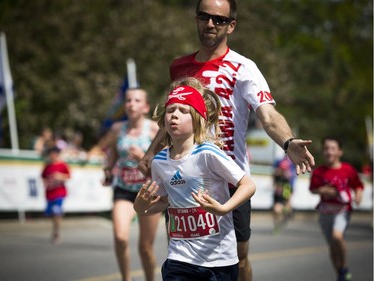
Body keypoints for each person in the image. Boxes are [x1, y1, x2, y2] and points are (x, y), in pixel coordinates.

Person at [138, 1, 315, 280]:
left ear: (231, 26)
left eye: (219, 20)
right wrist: (151, 152)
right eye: (204, 17)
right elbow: (174, 115)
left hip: (230, 178)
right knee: (182, 253)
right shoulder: (179, 67)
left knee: (238, 257)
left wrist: (288, 141)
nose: (210, 24)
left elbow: (268, 116)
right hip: (188, 175)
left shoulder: (244, 68)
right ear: (196, 19)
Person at [134, 77, 256, 281]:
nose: (174, 116)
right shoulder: (160, 162)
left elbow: (248, 185)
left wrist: (224, 209)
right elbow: (164, 201)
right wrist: (140, 207)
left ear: (198, 118)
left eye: (183, 111)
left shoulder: (208, 153)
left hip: (219, 260)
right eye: (171, 110)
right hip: (179, 257)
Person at [102, 88, 161, 281]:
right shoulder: (117, 128)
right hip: (124, 189)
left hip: (149, 191)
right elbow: (113, 152)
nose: (131, 104)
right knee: (120, 237)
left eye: (137, 100)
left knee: (145, 248)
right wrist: (108, 170)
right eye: (128, 100)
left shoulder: (154, 129)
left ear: (145, 107)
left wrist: (143, 158)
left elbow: (166, 160)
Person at [309, 137, 364, 281]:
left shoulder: (347, 169)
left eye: (333, 149)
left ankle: (344, 266)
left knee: (337, 236)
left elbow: (358, 185)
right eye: (326, 148)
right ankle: (340, 274)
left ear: (340, 152)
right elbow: (313, 189)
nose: (329, 152)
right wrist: (323, 190)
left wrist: (358, 195)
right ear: (323, 151)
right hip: (325, 211)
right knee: (332, 246)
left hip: (342, 210)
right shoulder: (319, 172)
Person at [41, 146, 71, 244]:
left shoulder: (62, 165)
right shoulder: (47, 166)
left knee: (56, 212)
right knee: (51, 214)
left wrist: (60, 176)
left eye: (55, 154)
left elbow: (68, 176)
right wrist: (47, 182)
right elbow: (43, 177)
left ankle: (56, 233)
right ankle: (55, 230)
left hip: (60, 193)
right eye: (51, 154)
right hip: (50, 193)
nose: (53, 156)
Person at [272, 154, 296, 233]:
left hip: (285, 192)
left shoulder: (287, 179)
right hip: (277, 195)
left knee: (282, 207)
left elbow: (287, 193)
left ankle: (286, 213)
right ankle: (277, 224)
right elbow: (274, 182)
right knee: (276, 210)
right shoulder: (277, 175)